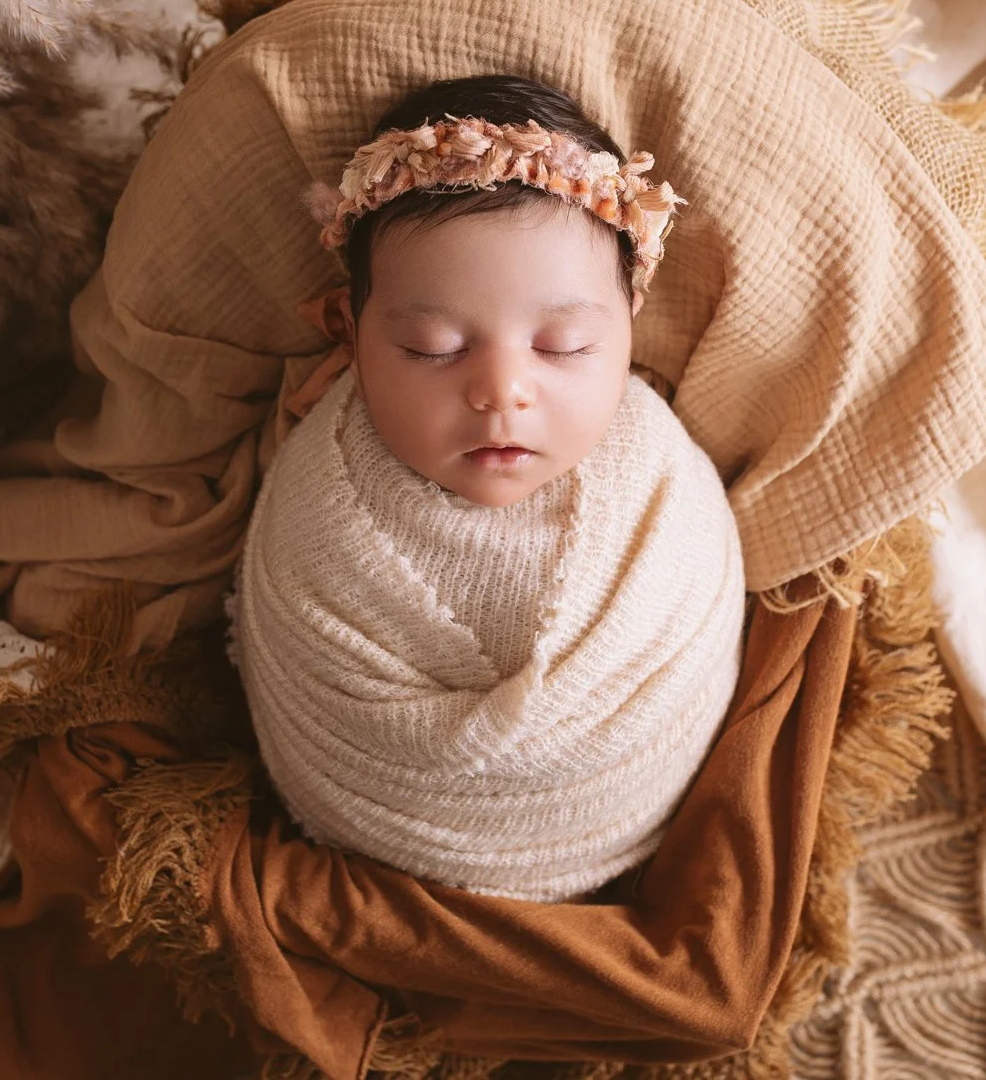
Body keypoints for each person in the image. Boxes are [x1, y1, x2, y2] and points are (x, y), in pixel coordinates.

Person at [229, 73, 746, 902]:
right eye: (433, 347)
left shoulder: (656, 466)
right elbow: (303, 664)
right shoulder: (316, 502)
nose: (502, 390)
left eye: (565, 343)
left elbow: (697, 612)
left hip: (628, 818)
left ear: (629, 326)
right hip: (378, 854)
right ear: (350, 336)